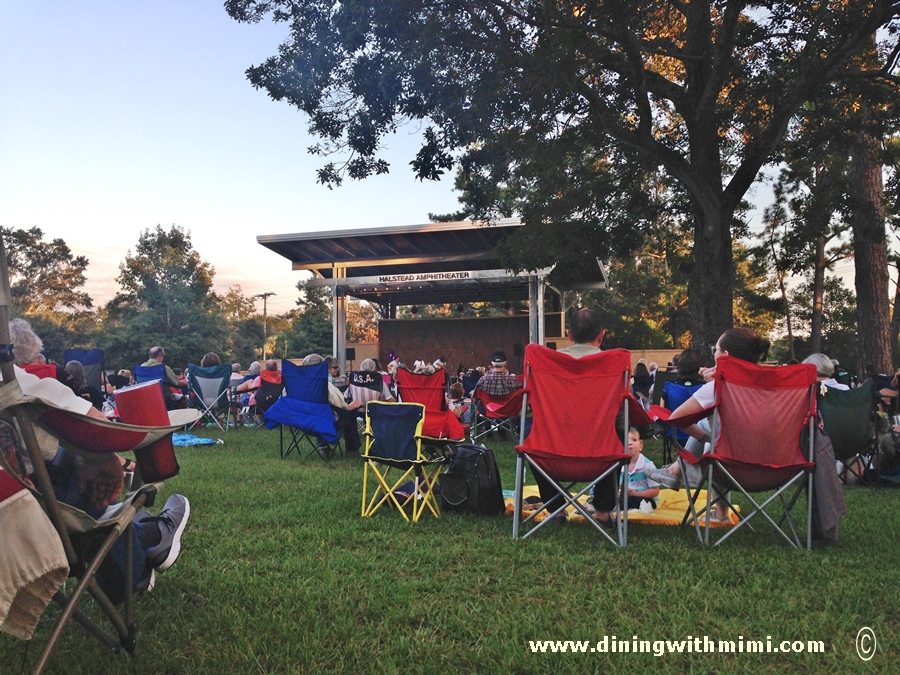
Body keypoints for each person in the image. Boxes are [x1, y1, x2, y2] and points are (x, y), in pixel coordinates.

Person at [2, 320, 190, 594]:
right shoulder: (15, 380)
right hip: (26, 519)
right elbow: (93, 424)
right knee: (73, 485)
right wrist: (102, 459)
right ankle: (144, 547)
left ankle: (135, 530)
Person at [535, 308, 618, 528]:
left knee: (530, 440)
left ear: (569, 334)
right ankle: (602, 512)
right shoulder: (614, 366)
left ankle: (557, 509)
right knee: (615, 434)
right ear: (602, 335)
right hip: (600, 459)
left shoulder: (545, 363)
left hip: (551, 457)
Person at [303, 353, 362, 457]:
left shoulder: (298, 384)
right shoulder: (325, 385)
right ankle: (352, 450)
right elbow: (340, 405)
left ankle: (324, 447)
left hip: (302, 421)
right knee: (350, 414)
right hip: (324, 422)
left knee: (320, 412)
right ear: (322, 367)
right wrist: (350, 406)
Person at [624, 427, 660, 510]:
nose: (629, 443)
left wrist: (636, 494)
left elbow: (655, 491)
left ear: (641, 445)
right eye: (626, 440)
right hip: (626, 497)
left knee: (630, 501)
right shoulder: (619, 465)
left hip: (646, 498)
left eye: (634, 440)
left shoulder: (648, 466)